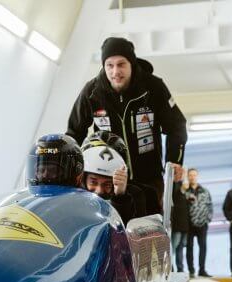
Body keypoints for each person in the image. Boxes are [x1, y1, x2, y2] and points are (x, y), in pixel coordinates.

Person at [67, 36, 186, 206]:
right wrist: (74, 172)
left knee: (146, 228)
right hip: (107, 181)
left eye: (121, 64)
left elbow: (177, 126)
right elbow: (74, 132)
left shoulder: (153, 87)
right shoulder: (92, 92)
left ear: (132, 64)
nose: (115, 72)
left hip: (149, 180)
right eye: (110, 65)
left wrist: (174, 161)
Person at [81, 135, 136, 225]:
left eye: (107, 184)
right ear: (83, 179)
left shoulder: (136, 196)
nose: (99, 191)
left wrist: (120, 196)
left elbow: (122, 228)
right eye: (93, 182)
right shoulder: (71, 198)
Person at [185, 168, 213, 278]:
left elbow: (210, 206)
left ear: (197, 176)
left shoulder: (205, 191)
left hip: (202, 224)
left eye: (194, 175)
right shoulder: (185, 192)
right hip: (189, 224)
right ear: (188, 177)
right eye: (190, 175)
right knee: (189, 248)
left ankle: (202, 270)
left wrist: (208, 219)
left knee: (203, 247)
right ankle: (191, 271)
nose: (192, 177)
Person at [171, 169, 189, 272]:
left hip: (184, 224)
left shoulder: (185, 189)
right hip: (177, 224)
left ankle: (180, 268)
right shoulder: (174, 187)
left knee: (180, 247)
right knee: (174, 247)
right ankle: (171, 267)